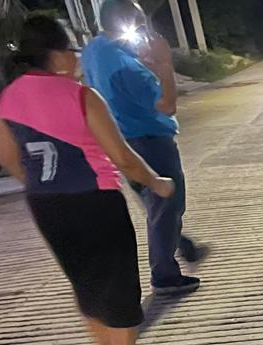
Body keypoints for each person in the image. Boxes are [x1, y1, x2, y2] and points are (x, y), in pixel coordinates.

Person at [0, 16, 173, 345]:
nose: (76, 59)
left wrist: (41, 184)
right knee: (120, 283)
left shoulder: (9, 96)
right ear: (57, 55)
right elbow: (122, 157)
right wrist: (157, 182)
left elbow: (7, 156)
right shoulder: (81, 96)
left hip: (46, 205)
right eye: (72, 51)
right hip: (95, 201)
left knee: (85, 281)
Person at [82, 0, 205, 295]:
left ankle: (179, 243)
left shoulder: (94, 50)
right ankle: (164, 273)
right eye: (138, 24)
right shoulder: (127, 68)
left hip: (119, 139)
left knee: (156, 203)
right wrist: (164, 65)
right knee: (167, 201)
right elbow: (166, 105)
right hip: (149, 141)